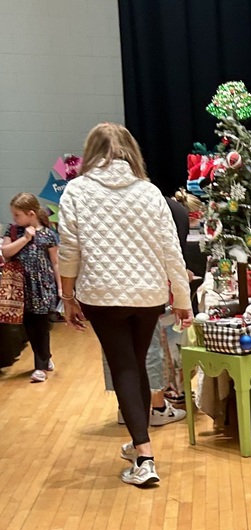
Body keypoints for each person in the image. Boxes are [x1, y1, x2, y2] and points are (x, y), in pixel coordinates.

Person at [58, 122, 192, 487]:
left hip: (101, 296)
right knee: (134, 365)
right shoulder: (149, 192)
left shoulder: (76, 191)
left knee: (124, 368)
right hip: (148, 296)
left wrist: (67, 297)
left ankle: (144, 454)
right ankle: (139, 446)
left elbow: (69, 252)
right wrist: (182, 299)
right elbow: (172, 253)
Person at [2, 194, 59, 382]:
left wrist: (61, 288)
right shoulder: (13, 231)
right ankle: (45, 357)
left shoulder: (48, 234)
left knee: (41, 326)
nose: (14, 219)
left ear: (31, 213)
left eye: (17, 215)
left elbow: (55, 263)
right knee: (29, 326)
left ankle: (40, 367)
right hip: (21, 287)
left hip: (42, 286)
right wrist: (25, 238)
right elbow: (6, 252)